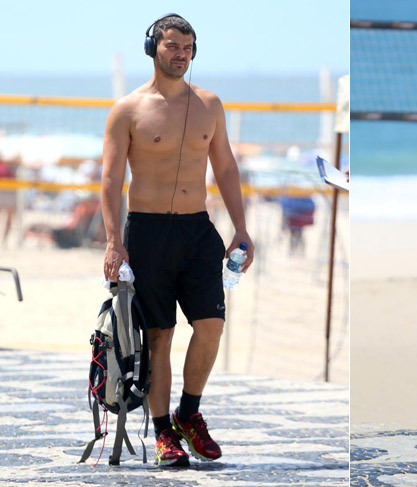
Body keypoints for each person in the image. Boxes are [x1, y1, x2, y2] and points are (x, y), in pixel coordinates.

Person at [101, 13, 254, 467]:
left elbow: (225, 167)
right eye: (172, 46)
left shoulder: (210, 104)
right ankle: (165, 430)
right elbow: (109, 180)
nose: (181, 55)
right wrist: (114, 242)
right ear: (153, 48)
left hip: (197, 230)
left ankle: (191, 413)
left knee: (211, 325)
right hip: (147, 233)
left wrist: (241, 229)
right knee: (160, 335)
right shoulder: (128, 109)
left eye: (187, 47)